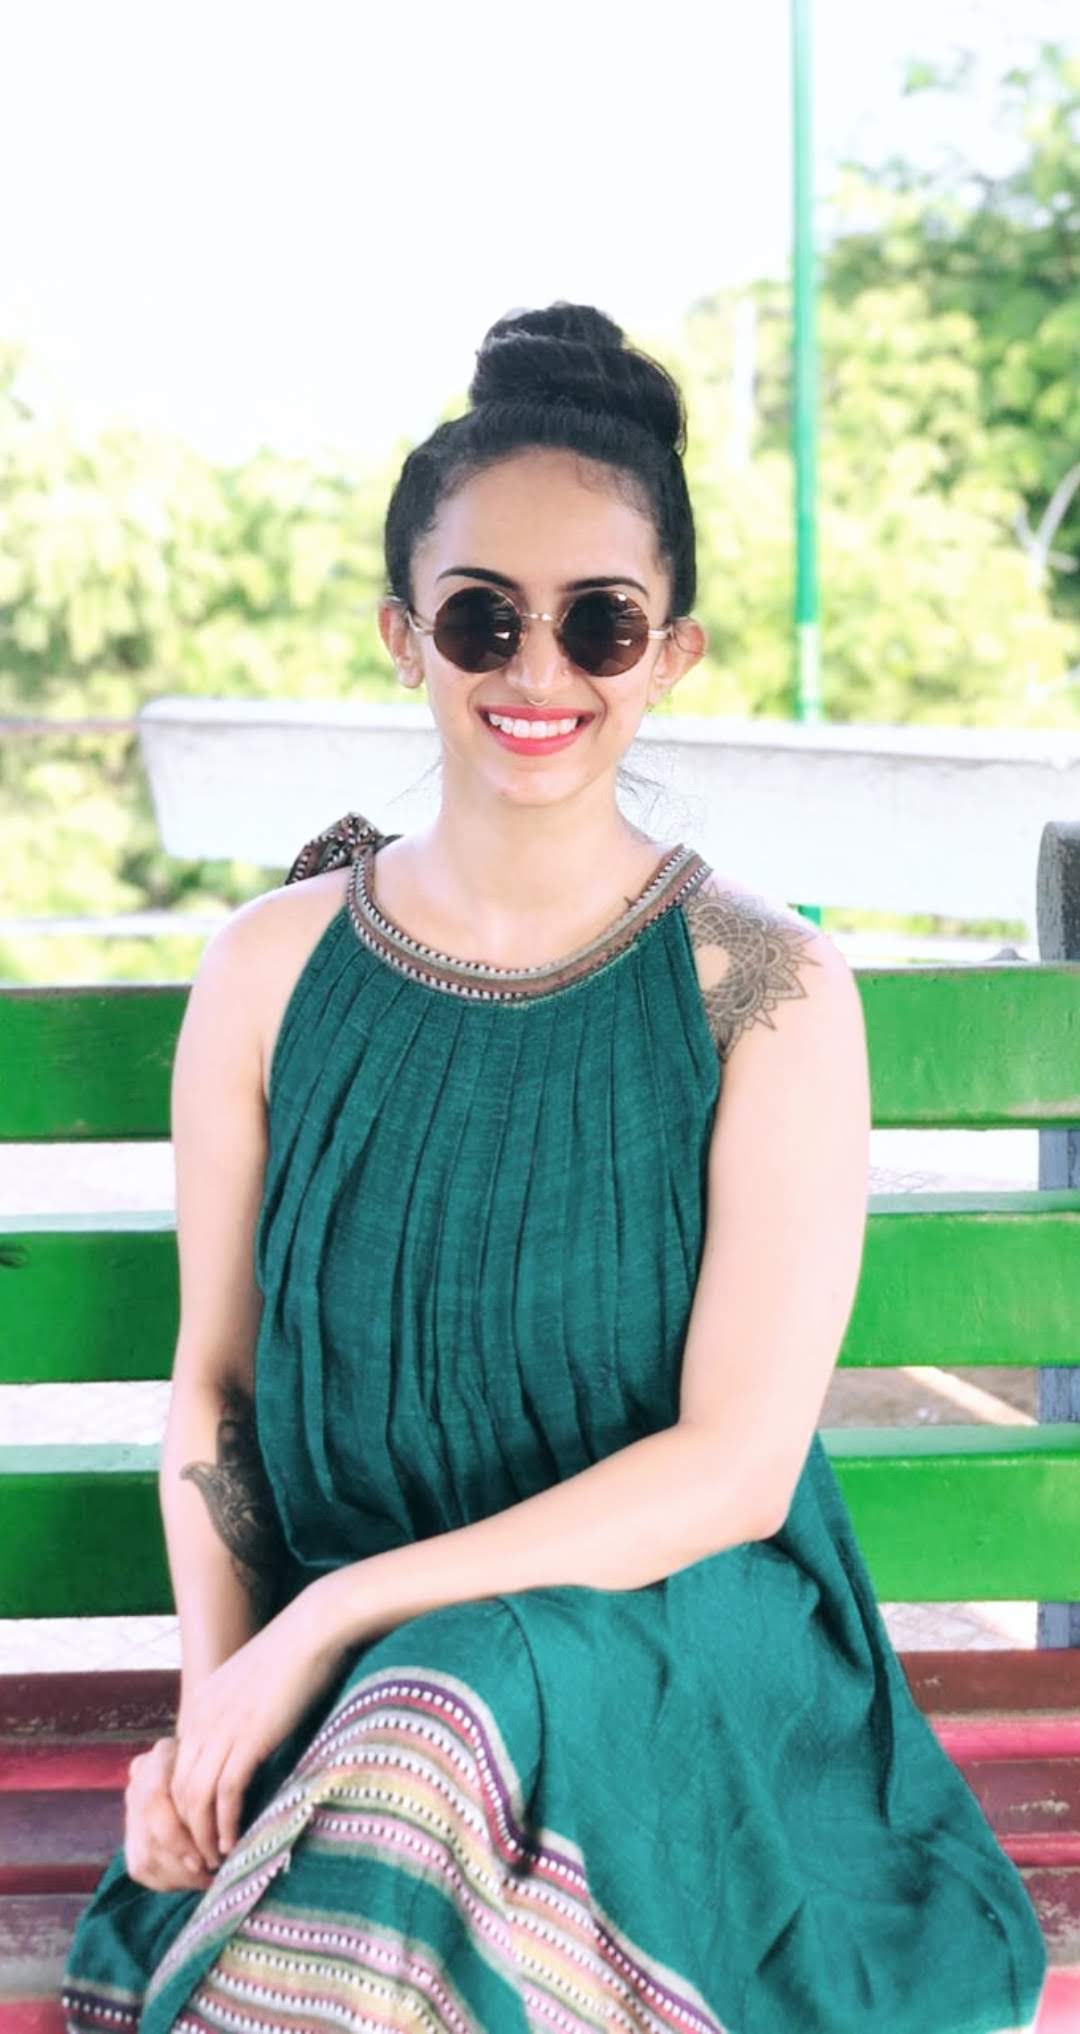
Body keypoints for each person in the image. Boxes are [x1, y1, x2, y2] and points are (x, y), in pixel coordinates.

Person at [62, 301, 1046, 2034]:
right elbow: (218, 1396)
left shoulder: (764, 989)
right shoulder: (271, 973)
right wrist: (223, 1705)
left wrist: (330, 1617)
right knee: (409, 1748)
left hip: (676, 1658)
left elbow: (737, 1469)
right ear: (404, 635)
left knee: (430, 1728)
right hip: (365, 1683)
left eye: (600, 622)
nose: (538, 673)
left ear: (671, 654)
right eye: (482, 617)